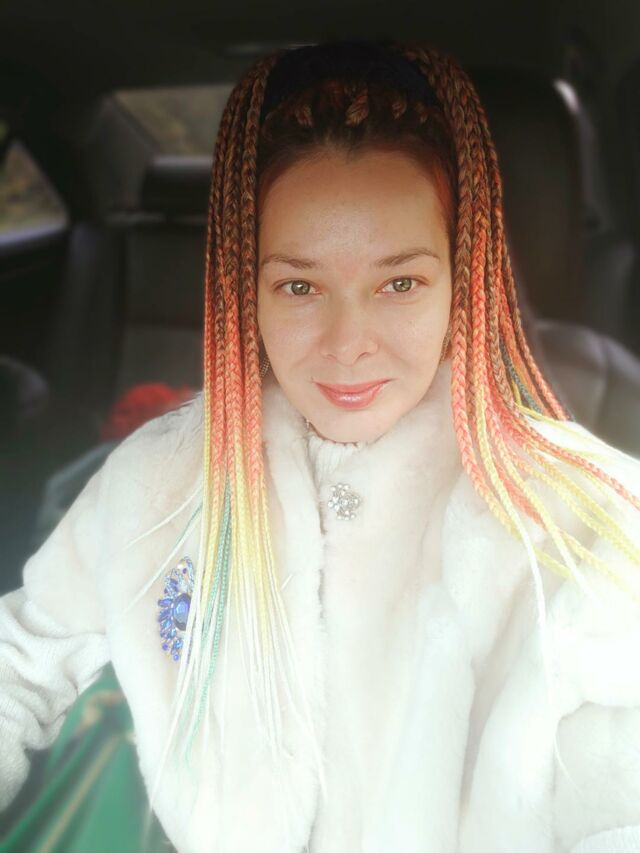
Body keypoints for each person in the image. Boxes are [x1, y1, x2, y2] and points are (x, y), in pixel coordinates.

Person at [1, 39, 640, 853]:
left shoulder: (588, 526)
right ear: (248, 290)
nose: (347, 344)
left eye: (400, 283)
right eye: (300, 286)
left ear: (463, 279)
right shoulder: (158, 480)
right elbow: (22, 659)